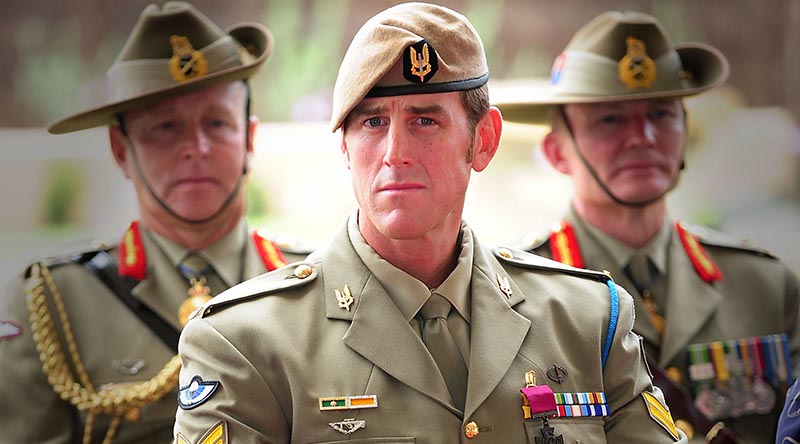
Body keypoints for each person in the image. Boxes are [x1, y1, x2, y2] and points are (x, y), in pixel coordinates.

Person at [174, 3, 687, 443]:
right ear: (346, 149)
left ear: (483, 140)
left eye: (425, 119)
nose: (395, 153)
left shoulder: (589, 320)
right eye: (373, 122)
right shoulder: (245, 342)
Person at [0, 3, 310, 443]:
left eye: (216, 123)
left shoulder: (315, 286)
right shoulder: (53, 304)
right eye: (165, 127)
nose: (196, 147)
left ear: (249, 139)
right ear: (122, 151)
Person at [494, 10, 800, 443]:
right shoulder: (511, 296)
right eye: (610, 119)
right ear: (557, 152)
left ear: (685, 134)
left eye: (660, 115)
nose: (643, 137)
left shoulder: (764, 286)